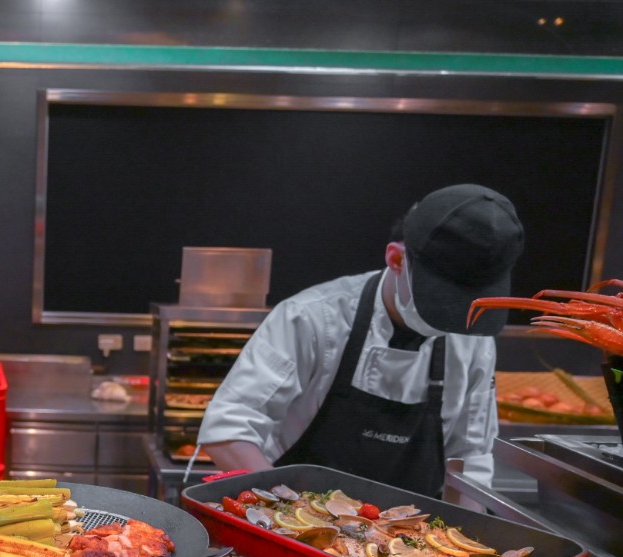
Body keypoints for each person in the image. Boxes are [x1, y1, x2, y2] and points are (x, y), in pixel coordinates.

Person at [198, 183, 524, 497]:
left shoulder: (473, 337)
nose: (454, 321)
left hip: (411, 543)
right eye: (442, 303)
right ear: (396, 260)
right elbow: (228, 430)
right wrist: (287, 516)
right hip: (294, 526)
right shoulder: (313, 318)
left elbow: (472, 455)